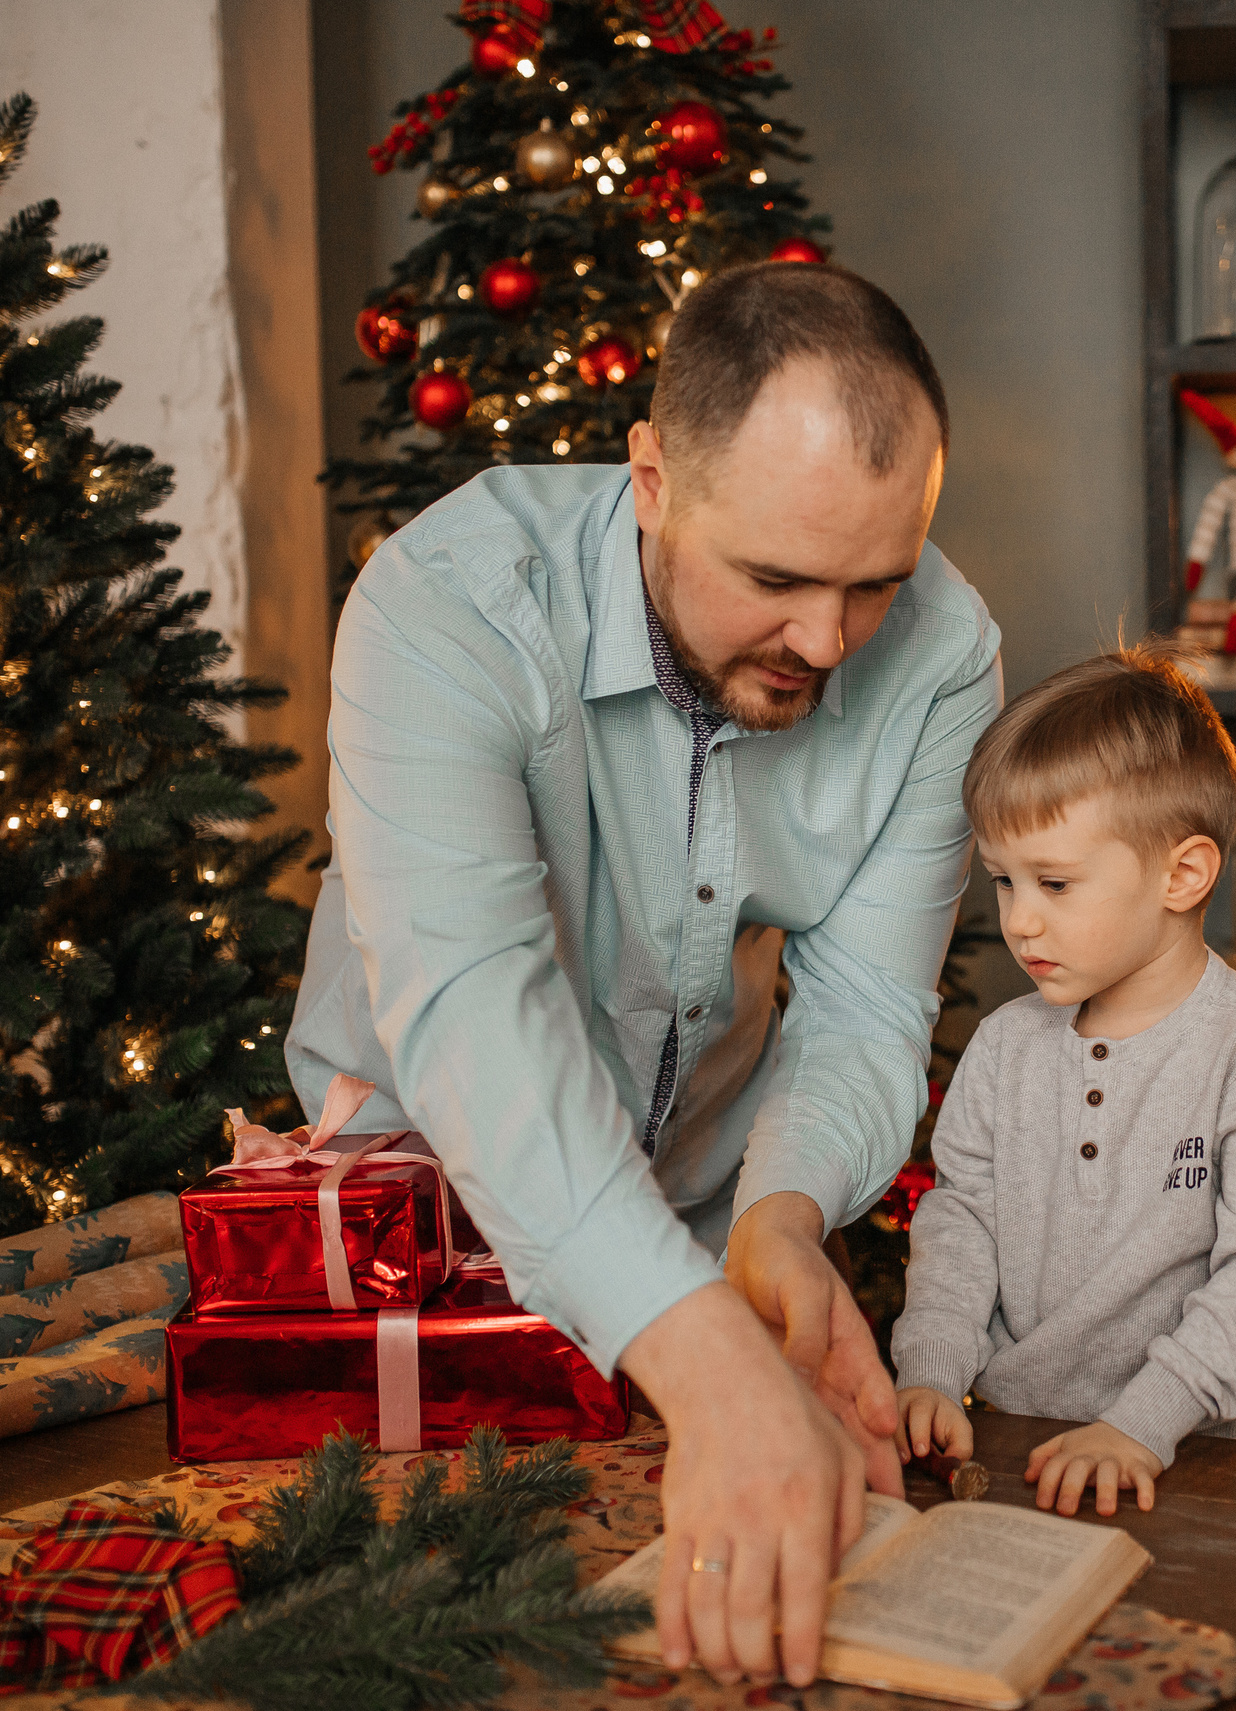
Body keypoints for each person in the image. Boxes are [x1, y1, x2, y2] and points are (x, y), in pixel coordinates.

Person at [285, 263, 1003, 1689]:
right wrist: (711, 1357)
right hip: (416, 1258)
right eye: (779, 579)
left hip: (704, 1245)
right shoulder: (445, 600)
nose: (826, 642)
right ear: (656, 478)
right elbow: (478, 1018)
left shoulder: (944, 654)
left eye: (875, 583)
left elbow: (867, 1008)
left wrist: (783, 1224)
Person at [888, 647, 1236, 1517]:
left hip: (1179, 1463)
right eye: (1003, 881)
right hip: (1003, 1444)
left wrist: (1140, 1424)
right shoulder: (1004, 1046)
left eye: (1055, 883)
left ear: (1182, 874)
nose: (1019, 921)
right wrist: (932, 1376)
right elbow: (961, 1223)